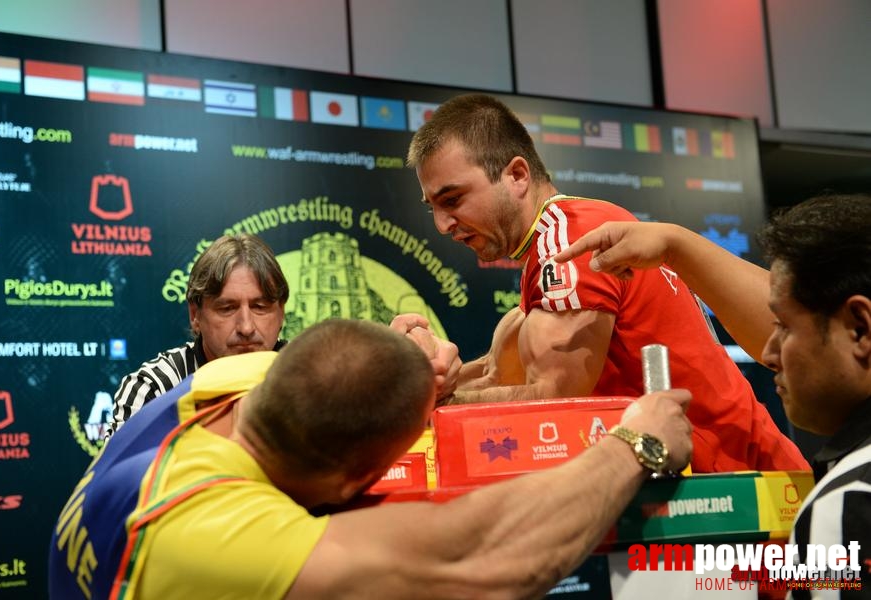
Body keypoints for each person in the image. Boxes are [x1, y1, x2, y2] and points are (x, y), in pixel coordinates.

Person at [49, 318, 692, 600]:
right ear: (353, 482)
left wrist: (412, 363)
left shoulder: (229, 381)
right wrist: (637, 442)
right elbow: (487, 556)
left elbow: (340, 364)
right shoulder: (212, 538)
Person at [407, 92, 808, 473]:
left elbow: (555, 397)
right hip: (729, 480)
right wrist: (422, 378)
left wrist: (431, 409)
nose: (442, 225)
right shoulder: (557, 246)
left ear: (516, 175)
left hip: (744, 488)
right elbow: (499, 372)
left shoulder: (567, 240)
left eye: (453, 199)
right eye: (434, 208)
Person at [553, 193, 871, 596]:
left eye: (785, 328)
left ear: (860, 329)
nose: (768, 354)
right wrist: (674, 243)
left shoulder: (847, 507)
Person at [105, 233, 290, 438]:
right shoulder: (155, 388)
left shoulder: (310, 377)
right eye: (227, 308)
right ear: (195, 315)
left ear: (281, 312)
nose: (246, 327)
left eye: (260, 307)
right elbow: (123, 469)